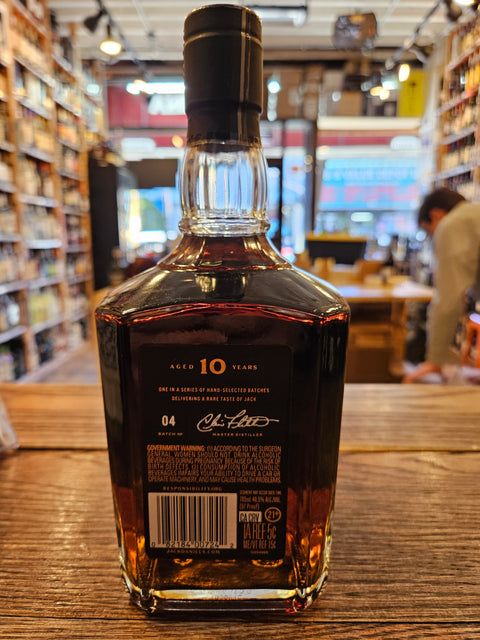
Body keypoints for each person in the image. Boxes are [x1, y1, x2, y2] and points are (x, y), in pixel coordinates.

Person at [402, 187, 480, 383]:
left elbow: (448, 299)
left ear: (436, 215)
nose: (433, 239)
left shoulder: (452, 224)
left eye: (430, 232)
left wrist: (434, 361)